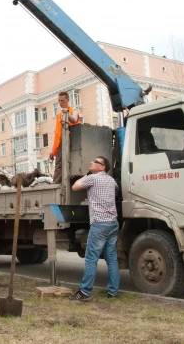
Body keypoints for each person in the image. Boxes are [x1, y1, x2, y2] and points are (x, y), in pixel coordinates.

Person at [69, 156, 120, 301]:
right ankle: (113, 292)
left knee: (91, 258)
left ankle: (85, 292)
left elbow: (75, 186)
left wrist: (88, 174)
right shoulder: (111, 181)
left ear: (102, 167)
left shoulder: (93, 179)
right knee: (111, 259)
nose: (91, 162)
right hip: (112, 223)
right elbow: (116, 191)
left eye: (95, 162)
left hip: (99, 224)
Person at [50, 91, 81, 184]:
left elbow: (75, 119)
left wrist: (67, 114)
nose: (60, 103)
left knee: (63, 165)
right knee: (59, 165)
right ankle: (56, 183)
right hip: (60, 143)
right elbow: (57, 133)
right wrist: (53, 149)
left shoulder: (73, 111)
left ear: (68, 99)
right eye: (59, 101)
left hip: (70, 142)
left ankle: (56, 184)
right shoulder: (59, 114)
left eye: (62, 100)